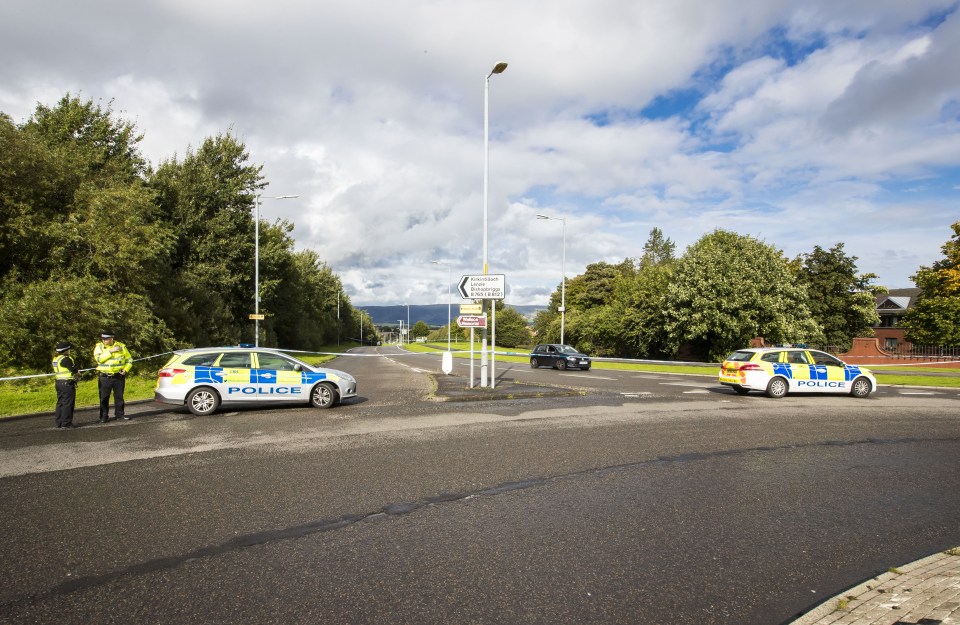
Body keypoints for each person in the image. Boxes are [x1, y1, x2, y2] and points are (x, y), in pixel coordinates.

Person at [94, 332, 133, 422]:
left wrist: (126, 369)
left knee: (119, 397)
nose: (104, 341)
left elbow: (129, 360)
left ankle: (120, 415)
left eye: (106, 339)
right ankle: (103, 417)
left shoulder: (121, 346)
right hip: (104, 376)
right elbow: (99, 359)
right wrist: (110, 352)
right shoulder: (99, 347)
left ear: (112, 339)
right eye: (103, 339)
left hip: (118, 376)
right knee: (104, 398)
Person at [52, 342, 80, 429]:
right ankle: (66, 423)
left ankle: (59, 422)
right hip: (67, 383)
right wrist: (78, 374)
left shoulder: (56, 359)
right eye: (69, 349)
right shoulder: (66, 359)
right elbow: (73, 369)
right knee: (68, 403)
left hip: (59, 382)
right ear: (66, 350)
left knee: (60, 402)